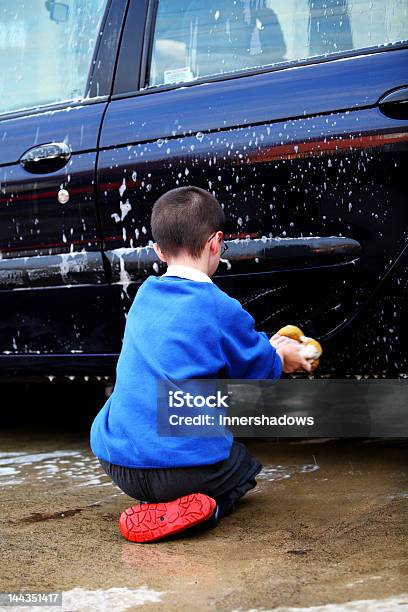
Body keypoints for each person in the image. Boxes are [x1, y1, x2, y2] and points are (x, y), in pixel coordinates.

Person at [90, 186, 311, 543]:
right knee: (243, 468)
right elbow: (256, 370)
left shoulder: (144, 296)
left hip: (119, 463)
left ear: (158, 251)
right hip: (183, 470)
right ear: (215, 243)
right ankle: (204, 509)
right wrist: (284, 356)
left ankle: (155, 505)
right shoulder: (219, 306)